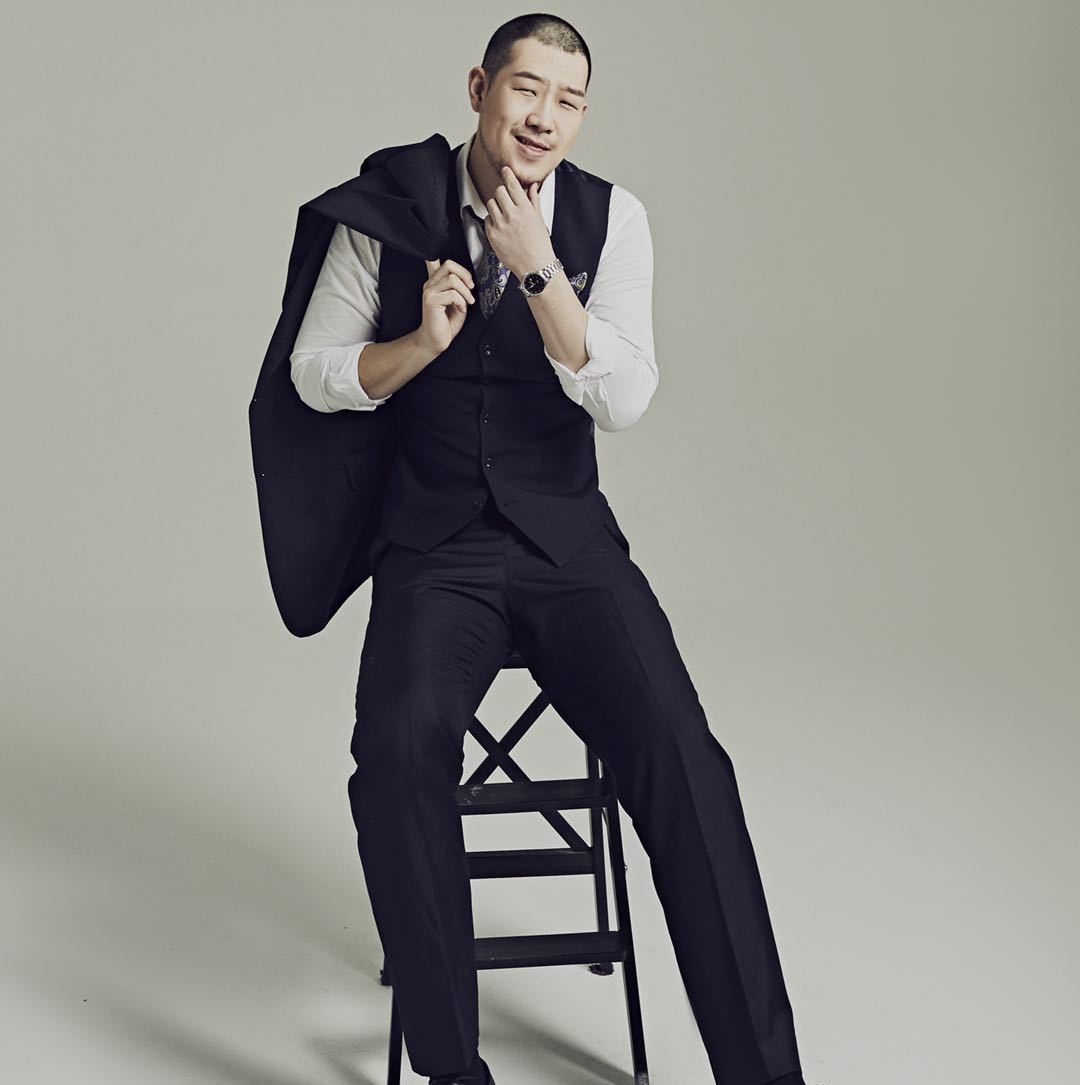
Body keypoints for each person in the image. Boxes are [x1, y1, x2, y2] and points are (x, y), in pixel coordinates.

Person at [274, 13, 807, 1085]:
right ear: (480, 88)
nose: (544, 118)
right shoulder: (388, 211)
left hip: (569, 546)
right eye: (526, 89)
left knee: (689, 763)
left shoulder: (614, 219)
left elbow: (625, 398)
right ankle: (454, 1070)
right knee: (395, 757)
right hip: (436, 551)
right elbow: (313, 373)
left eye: (569, 101)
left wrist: (537, 271)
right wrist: (417, 343)